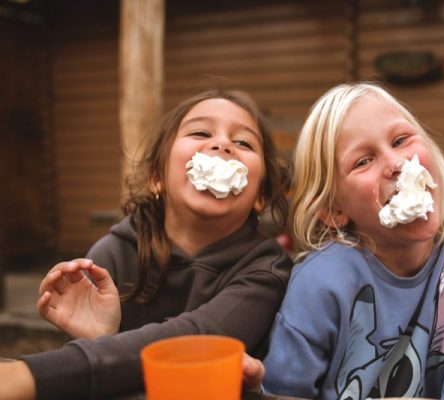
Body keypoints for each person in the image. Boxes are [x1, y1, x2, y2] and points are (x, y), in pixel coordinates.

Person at [257, 82, 444, 399]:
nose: (397, 164)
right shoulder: (321, 282)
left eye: (401, 140)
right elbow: (285, 390)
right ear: (333, 210)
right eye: (363, 161)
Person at [0, 89, 293, 400]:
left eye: (243, 143)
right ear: (157, 177)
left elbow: (197, 338)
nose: (222, 145)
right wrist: (98, 339)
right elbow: (97, 376)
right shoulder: (110, 257)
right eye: (200, 132)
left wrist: (30, 374)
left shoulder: (267, 271)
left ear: (260, 196)